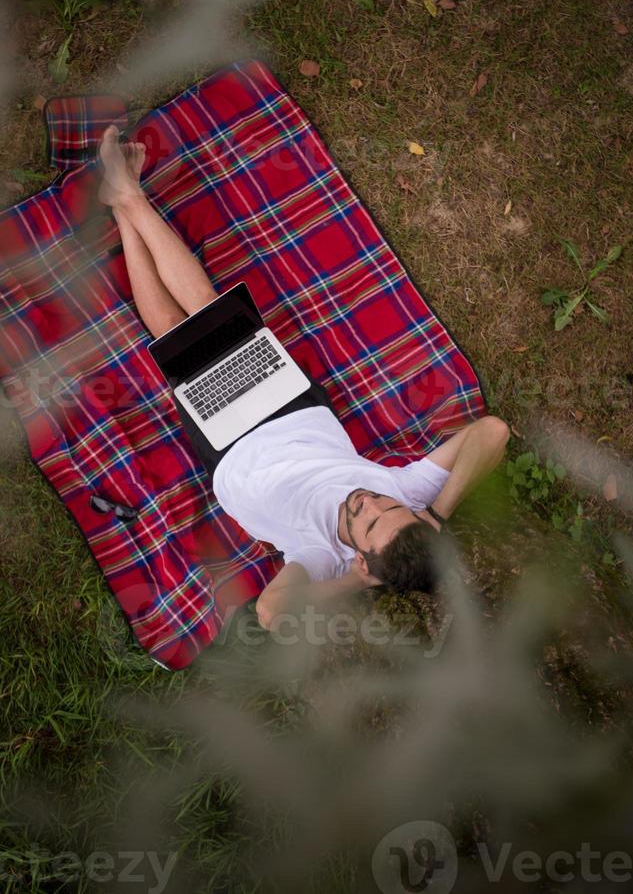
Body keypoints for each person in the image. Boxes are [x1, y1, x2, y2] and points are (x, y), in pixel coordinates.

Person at [97, 125, 510, 632]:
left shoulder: (321, 557)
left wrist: (357, 582)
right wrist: (438, 516)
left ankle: (128, 199)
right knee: (199, 321)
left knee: (186, 329)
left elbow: (273, 614)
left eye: (367, 524)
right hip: (296, 410)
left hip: (237, 454)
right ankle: (122, 203)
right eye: (387, 506)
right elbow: (494, 433)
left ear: (362, 558)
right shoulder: (407, 499)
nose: (369, 503)